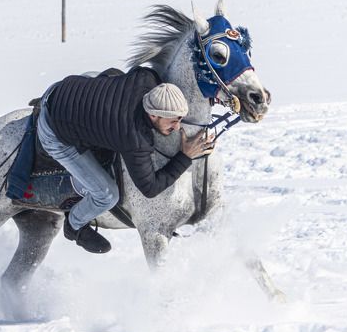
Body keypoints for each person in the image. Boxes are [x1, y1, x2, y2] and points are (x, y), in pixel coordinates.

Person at [37, 68, 215, 253]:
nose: (177, 127)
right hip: (52, 128)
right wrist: (185, 157)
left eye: (179, 119)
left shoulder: (148, 77)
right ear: (153, 115)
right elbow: (150, 188)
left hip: (65, 87)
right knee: (106, 195)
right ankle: (75, 225)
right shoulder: (133, 138)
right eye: (172, 121)